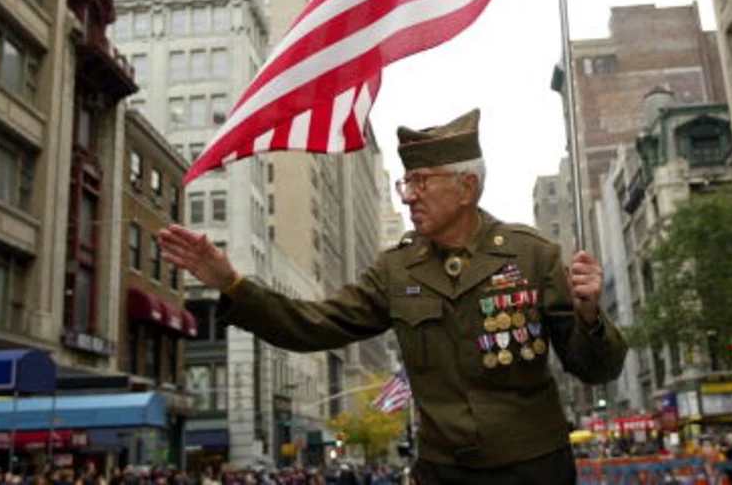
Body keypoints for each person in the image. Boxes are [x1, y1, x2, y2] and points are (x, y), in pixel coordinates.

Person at [161, 109, 627, 484]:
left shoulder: (533, 256)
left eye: (422, 182)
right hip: (442, 470)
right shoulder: (395, 268)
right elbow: (313, 324)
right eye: (407, 183)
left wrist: (589, 315)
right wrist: (231, 283)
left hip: (534, 467)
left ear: (466, 187)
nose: (408, 197)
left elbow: (596, 368)